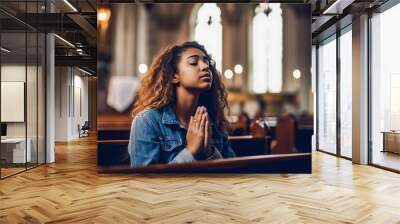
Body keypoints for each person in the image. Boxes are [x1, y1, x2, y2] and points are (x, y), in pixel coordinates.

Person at [128, 41, 236, 167]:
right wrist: (190, 152)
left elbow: (232, 175)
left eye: (206, 61)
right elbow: (144, 182)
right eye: (193, 62)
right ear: (174, 76)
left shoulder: (214, 120)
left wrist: (210, 153)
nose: (205, 66)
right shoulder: (147, 121)